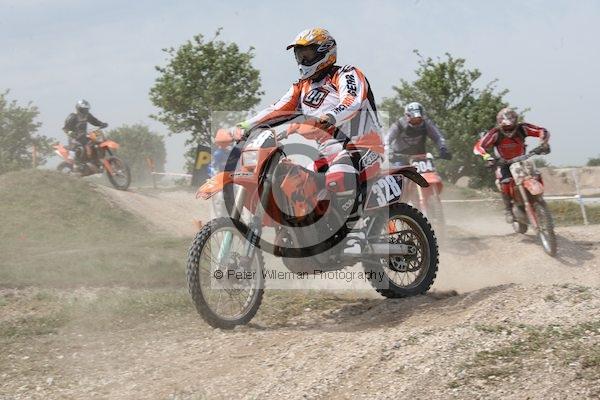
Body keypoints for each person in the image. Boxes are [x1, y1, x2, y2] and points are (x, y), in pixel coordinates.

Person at [237, 27, 384, 254]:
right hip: (327, 153)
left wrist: (332, 116)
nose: (302, 60)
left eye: (307, 54)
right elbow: (276, 109)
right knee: (300, 186)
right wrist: (245, 126)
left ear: (325, 52)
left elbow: (352, 100)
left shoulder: (346, 73)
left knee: (338, 177)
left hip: (363, 145)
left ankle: (353, 236)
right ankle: (314, 237)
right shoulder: (301, 87)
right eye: (299, 55)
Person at [473, 107, 550, 223]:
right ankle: (508, 210)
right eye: (506, 128)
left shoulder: (522, 128)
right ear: (500, 123)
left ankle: (539, 199)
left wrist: (543, 143)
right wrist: (488, 157)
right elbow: (479, 146)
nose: (509, 130)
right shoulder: (495, 133)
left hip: (522, 160)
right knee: (505, 182)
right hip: (504, 163)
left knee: (536, 175)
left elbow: (542, 131)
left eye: (511, 127)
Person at [384, 102, 452, 165]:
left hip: (420, 157)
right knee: (399, 171)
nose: (416, 122)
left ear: (422, 117)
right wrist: (388, 151)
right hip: (400, 158)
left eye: (419, 119)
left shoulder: (426, 124)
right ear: (407, 116)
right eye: (413, 119)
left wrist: (443, 149)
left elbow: (438, 137)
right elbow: (386, 139)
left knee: (431, 170)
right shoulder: (399, 125)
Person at [62, 100, 108, 168]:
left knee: (95, 143)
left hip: (83, 136)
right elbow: (65, 128)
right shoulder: (73, 116)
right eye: (83, 109)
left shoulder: (87, 115)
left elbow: (95, 121)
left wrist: (101, 124)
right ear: (78, 108)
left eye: (86, 109)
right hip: (74, 137)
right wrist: (71, 133)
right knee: (77, 147)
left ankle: (95, 160)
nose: (85, 111)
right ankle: (75, 164)